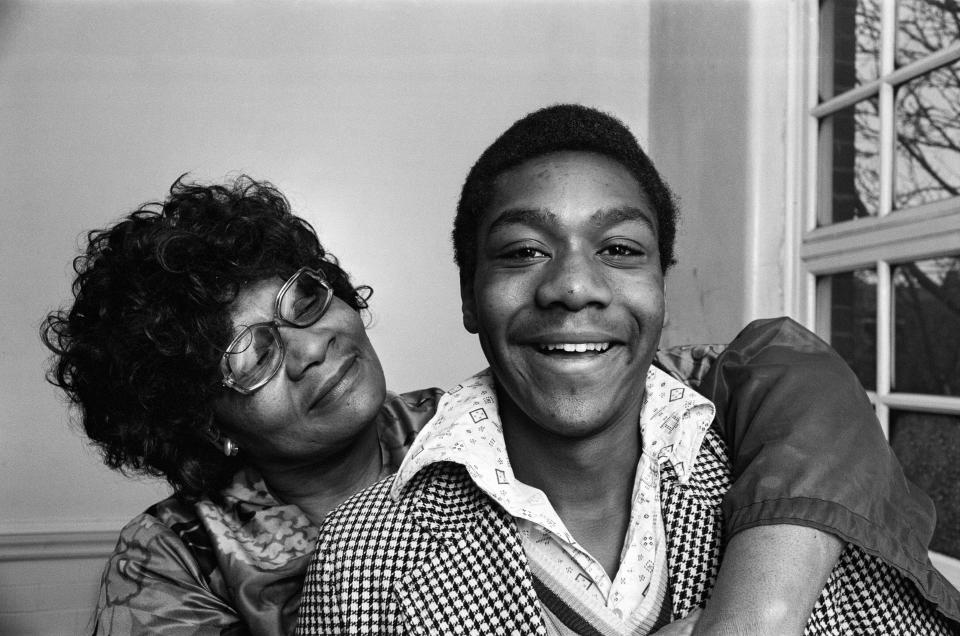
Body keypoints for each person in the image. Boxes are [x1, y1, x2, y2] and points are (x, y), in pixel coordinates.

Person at [297, 104, 960, 635]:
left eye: (618, 248)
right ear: (470, 296)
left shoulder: (785, 487)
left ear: (661, 289)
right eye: (525, 250)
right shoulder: (358, 561)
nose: (575, 285)